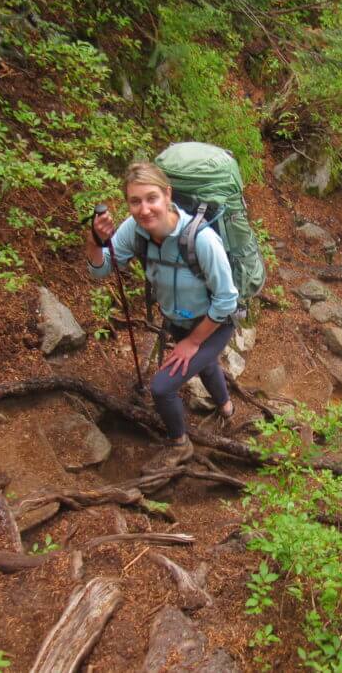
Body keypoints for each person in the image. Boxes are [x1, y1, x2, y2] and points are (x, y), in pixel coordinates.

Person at [83, 162, 237, 471]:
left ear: (167, 195)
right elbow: (101, 270)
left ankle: (180, 444)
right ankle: (228, 409)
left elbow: (226, 301)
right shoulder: (133, 230)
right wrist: (95, 240)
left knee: (162, 388)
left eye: (151, 198)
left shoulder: (202, 240)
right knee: (207, 365)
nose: (144, 209)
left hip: (213, 324)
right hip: (177, 321)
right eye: (135, 201)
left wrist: (193, 342)